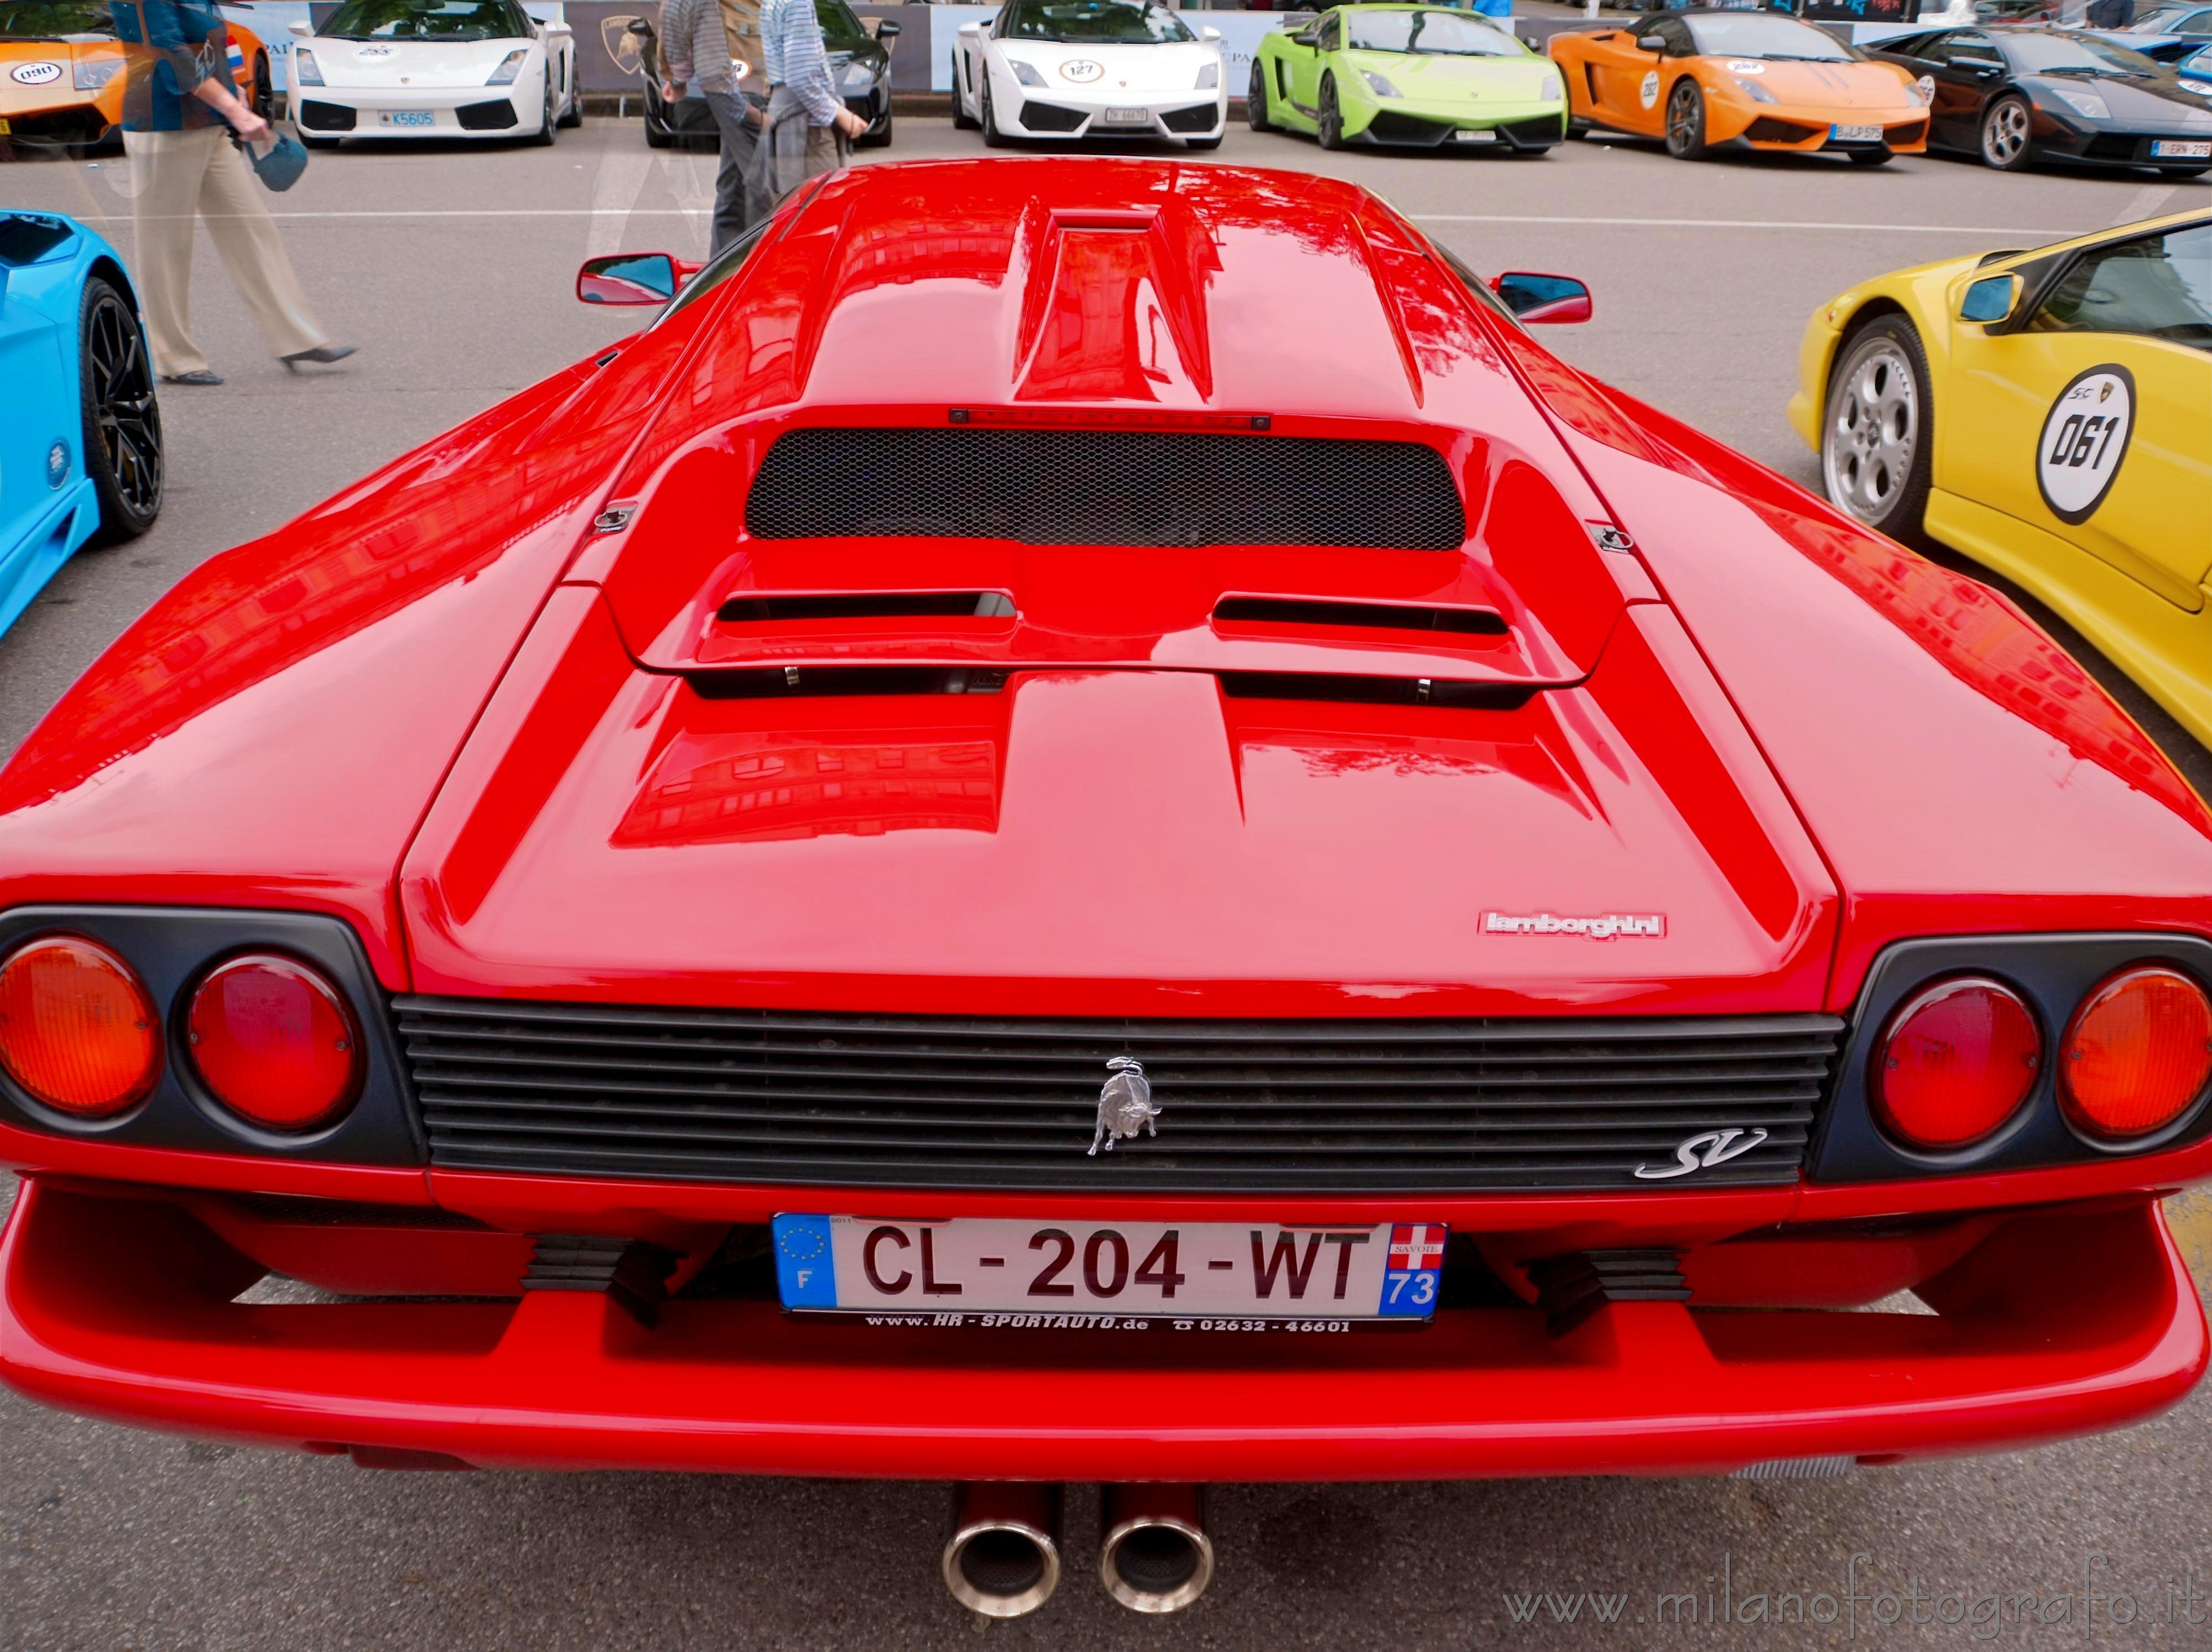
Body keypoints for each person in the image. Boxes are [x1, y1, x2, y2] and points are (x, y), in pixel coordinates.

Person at [106, 1, 352, 386]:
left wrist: (235, 95)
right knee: (167, 247)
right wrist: (236, 112)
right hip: (163, 126)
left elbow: (212, 48)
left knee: (252, 229)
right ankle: (175, 357)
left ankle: (297, 337)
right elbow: (169, 56)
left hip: (209, 123)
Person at [659, 0, 765, 254]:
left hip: (746, 81)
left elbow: (675, 9)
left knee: (740, 196)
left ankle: (726, 282)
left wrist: (677, 75)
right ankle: (738, 281)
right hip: (751, 82)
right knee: (766, 197)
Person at [747, 0, 867, 221]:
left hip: (787, 116)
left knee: (790, 215)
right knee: (821, 213)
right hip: (807, 128)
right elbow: (801, 78)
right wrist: (840, 114)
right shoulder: (798, 3)